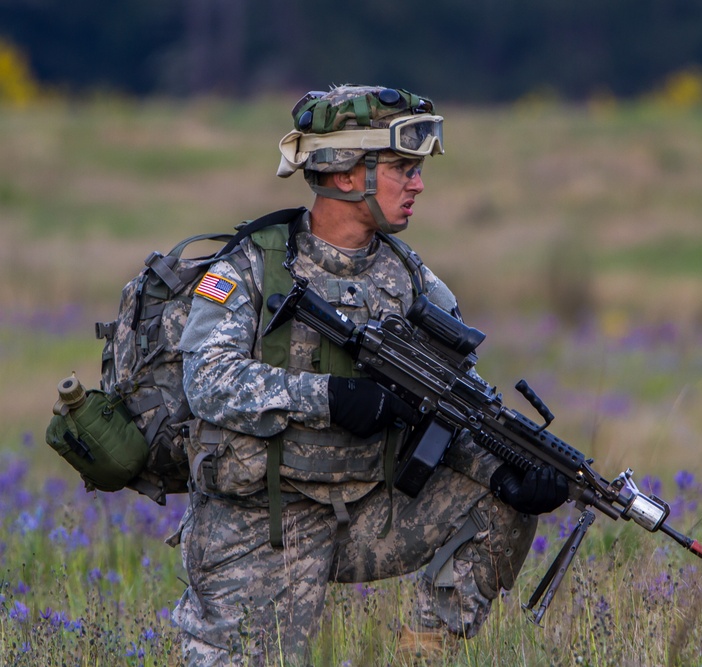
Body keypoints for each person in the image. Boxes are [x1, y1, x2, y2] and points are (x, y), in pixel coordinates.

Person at [169, 84, 569, 665]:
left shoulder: (412, 280)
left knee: (501, 502)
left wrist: (508, 471)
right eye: (404, 168)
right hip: (262, 521)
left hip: (367, 511)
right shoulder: (251, 267)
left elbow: (451, 407)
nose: (419, 184)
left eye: (418, 170)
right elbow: (207, 379)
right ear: (346, 172)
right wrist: (331, 397)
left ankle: (421, 652)